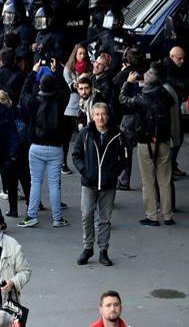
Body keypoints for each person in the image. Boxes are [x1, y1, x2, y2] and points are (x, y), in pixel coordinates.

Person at [72, 102, 126, 266]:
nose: (100, 117)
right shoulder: (85, 134)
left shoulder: (117, 134)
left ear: (108, 116)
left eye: (103, 114)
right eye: (97, 114)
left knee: (104, 219)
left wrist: (114, 173)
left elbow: (124, 158)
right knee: (86, 215)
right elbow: (76, 155)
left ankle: (103, 250)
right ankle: (88, 248)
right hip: (89, 183)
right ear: (92, 116)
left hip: (108, 184)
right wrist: (84, 171)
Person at [120, 68, 175, 227]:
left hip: (145, 142)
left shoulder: (141, 99)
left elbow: (123, 99)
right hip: (163, 141)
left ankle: (152, 215)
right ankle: (167, 215)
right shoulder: (166, 97)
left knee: (148, 180)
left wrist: (128, 83)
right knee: (165, 180)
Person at [19, 71, 69, 229]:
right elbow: (66, 90)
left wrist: (32, 73)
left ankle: (32, 215)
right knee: (54, 184)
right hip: (55, 148)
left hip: (36, 146)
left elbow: (23, 94)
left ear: (40, 86)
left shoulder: (34, 102)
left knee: (35, 183)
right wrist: (57, 73)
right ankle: (57, 218)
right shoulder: (60, 101)